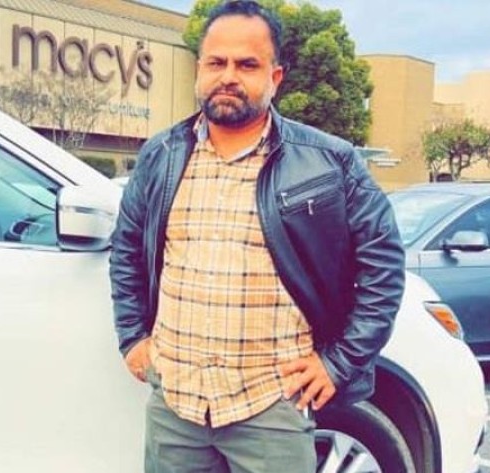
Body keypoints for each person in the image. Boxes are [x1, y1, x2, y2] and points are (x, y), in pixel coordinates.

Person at [109, 1, 405, 471]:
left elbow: (383, 266)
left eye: (247, 65)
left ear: (275, 76)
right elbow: (126, 249)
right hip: (176, 406)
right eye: (216, 62)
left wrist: (338, 363)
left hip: (270, 406)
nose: (228, 76)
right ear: (199, 69)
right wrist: (132, 337)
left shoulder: (329, 162)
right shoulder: (160, 155)